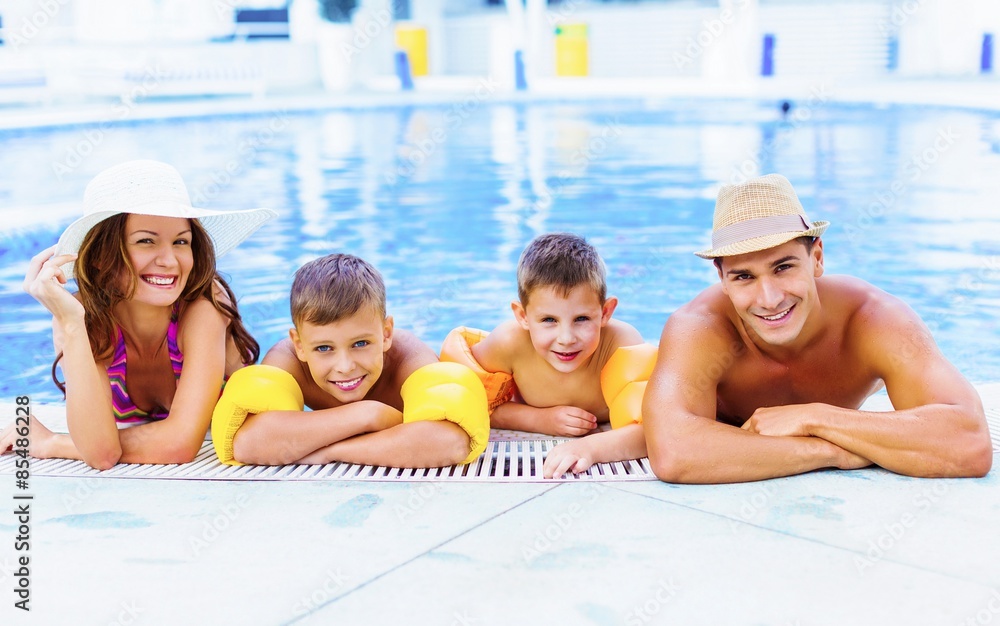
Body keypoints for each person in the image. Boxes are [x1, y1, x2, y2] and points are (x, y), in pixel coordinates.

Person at [643, 173, 993, 483]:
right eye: (744, 277)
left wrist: (814, 416)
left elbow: (970, 442)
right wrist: (830, 452)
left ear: (818, 258)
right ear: (722, 278)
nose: (769, 298)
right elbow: (674, 454)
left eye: (783, 267)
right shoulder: (700, 328)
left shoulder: (870, 319)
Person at [0, 160, 276, 469]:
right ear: (102, 256)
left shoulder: (202, 306)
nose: (170, 260)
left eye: (181, 242)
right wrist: (71, 325)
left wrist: (53, 443)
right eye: (146, 240)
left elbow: (178, 445)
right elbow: (101, 454)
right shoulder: (79, 317)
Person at [212, 253, 489, 468]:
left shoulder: (408, 358)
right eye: (323, 348)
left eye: (360, 344)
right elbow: (247, 444)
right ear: (299, 345)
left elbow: (449, 443)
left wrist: (331, 452)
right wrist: (368, 415)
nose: (344, 366)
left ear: (386, 333)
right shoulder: (289, 361)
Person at [439, 232, 657, 478]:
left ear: (605, 312)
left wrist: (589, 448)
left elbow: (653, 430)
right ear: (523, 316)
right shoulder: (509, 343)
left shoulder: (621, 345)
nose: (566, 338)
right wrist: (538, 419)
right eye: (549, 320)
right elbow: (468, 405)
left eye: (582, 319)